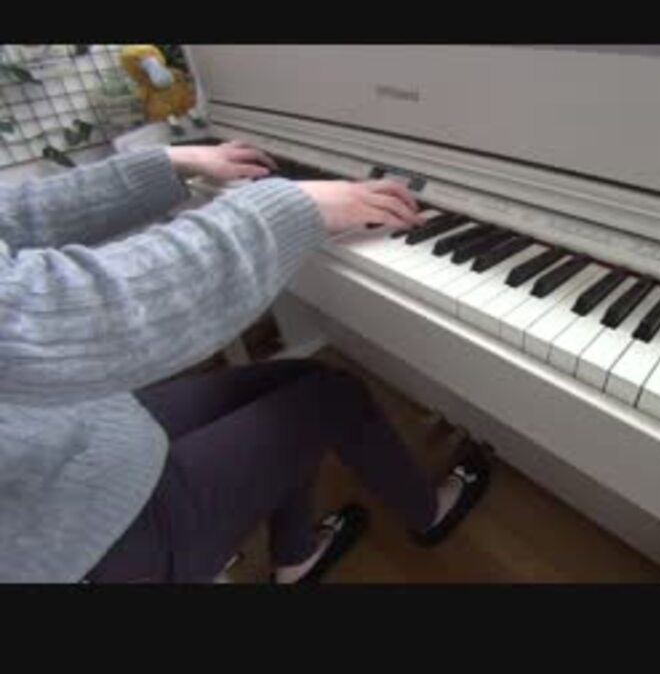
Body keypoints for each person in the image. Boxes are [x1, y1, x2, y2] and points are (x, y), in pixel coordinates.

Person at [0, 140, 492, 584]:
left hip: (71, 431)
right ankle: (428, 514)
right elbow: (43, 316)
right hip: (73, 537)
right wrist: (290, 208)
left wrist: (168, 163)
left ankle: (296, 557)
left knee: (302, 385)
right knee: (332, 398)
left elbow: (15, 214)